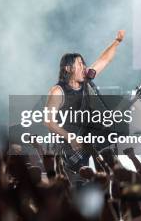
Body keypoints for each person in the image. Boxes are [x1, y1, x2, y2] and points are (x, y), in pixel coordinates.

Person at [44, 30, 125, 166]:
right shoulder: (58, 91)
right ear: (68, 68)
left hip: (87, 142)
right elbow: (48, 121)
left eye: (84, 63)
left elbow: (104, 60)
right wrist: (70, 138)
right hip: (69, 148)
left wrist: (117, 42)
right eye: (79, 63)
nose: (84, 66)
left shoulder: (86, 81)